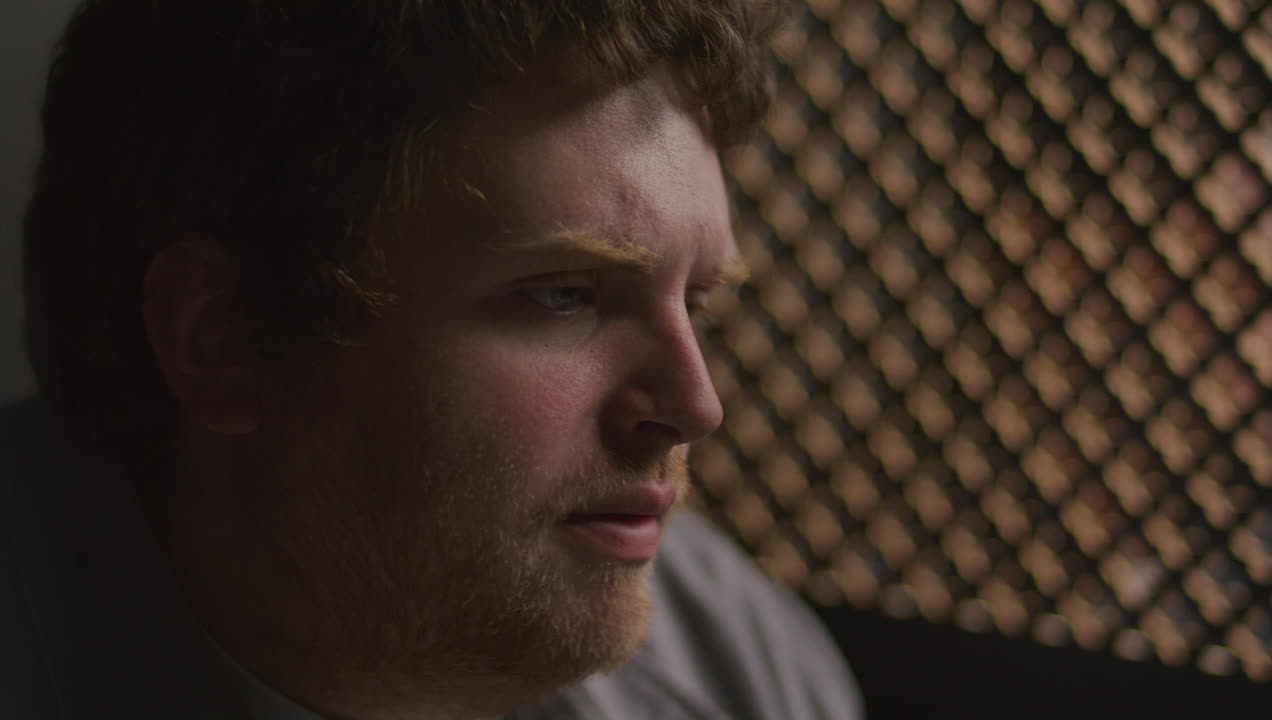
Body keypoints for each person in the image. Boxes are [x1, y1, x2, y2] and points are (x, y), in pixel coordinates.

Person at [2, 1, 862, 718]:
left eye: (698, 302)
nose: (694, 405)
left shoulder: (734, 664)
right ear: (226, 337)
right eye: (564, 294)